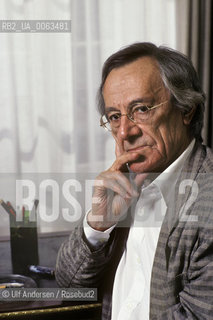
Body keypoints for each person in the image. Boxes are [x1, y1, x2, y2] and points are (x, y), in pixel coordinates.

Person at [55, 42, 213, 319]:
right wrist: (98, 225)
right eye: (115, 117)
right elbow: (69, 285)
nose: (124, 132)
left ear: (186, 109)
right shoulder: (124, 183)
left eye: (141, 109)